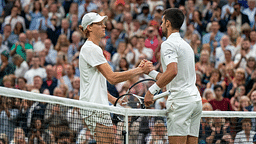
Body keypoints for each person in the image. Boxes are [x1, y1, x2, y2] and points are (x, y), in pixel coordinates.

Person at [78, 12, 151, 143]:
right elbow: (112, 78)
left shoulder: (93, 48)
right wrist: (140, 70)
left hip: (97, 105)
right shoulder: (91, 48)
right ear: (89, 27)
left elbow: (95, 83)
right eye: (99, 24)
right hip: (94, 107)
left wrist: (112, 99)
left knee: (110, 141)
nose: (104, 26)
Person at [144, 8, 202, 144]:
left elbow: (172, 71)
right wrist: (149, 72)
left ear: (168, 23)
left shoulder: (168, 44)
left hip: (180, 103)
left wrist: (151, 91)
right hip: (195, 102)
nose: (161, 26)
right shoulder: (186, 46)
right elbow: (172, 76)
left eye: (162, 22)